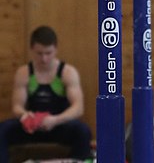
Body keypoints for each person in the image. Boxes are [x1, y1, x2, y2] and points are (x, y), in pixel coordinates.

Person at [0, 25, 92, 162]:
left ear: (56, 49)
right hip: (32, 127)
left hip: (58, 125)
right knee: (3, 129)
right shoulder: (24, 73)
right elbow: (17, 106)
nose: (44, 58)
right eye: (39, 53)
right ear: (32, 50)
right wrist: (25, 115)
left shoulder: (67, 72)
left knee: (83, 131)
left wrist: (55, 120)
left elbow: (78, 108)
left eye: (48, 53)